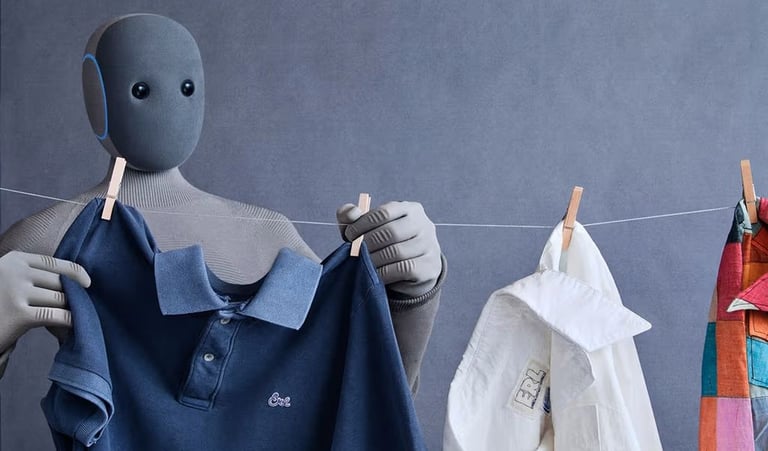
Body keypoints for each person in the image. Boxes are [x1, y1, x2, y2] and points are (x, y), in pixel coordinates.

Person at [0, 13, 445, 393]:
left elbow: (375, 396)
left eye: (186, 86)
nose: (167, 102)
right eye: (141, 89)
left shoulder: (268, 233)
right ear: (96, 91)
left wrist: (412, 291)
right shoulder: (54, 236)